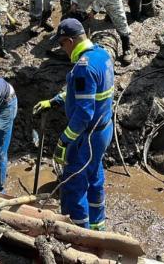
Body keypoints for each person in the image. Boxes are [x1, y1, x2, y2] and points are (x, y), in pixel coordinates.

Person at [34, 19, 114, 230]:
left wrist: (64, 140)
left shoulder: (82, 68)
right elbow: (84, 94)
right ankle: (98, 227)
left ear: (70, 41)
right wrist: (55, 101)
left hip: (87, 136)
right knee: (95, 176)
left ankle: (78, 234)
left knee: (73, 186)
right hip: (103, 130)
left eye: (61, 44)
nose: (62, 50)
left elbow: (84, 114)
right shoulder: (102, 55)